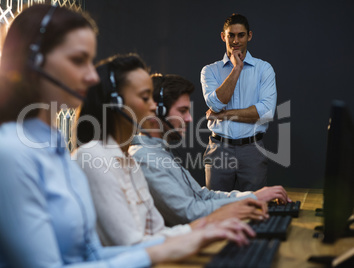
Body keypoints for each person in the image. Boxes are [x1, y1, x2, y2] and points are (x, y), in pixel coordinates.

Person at [0, 5, 253, 268]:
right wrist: (167, 248)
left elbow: (90, 255)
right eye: (78, 60)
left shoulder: (54, 148)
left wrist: (190, 237)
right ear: (34, 62)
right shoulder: (7, 153)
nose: (93, 76)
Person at [74, 54, 255, 247]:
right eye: (145, 98)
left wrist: (205, 229)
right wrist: (204, 229)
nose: (153, 106)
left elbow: (156, 232)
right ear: (116, 105)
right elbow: (132, 246)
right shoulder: (94, 156)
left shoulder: (130, 162)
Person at [129, 74, 290, 226]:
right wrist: (253, 197)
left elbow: (203, 196)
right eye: (182, 111)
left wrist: (253, 197)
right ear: (158, 112)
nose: (189, 118)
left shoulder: (161, 152)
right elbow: (189, 213)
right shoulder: (144, 158)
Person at [201, 13, 277, 191]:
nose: (236, 40)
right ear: (223, 36)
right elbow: (217, 104)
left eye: (241, 35)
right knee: (217, 210)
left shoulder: (263, 69)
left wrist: (224, 115)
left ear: (249, 35)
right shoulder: (209, 71)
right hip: (219, 149)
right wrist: (237, 68)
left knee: (253, 210)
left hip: (252, 150)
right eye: (231, 35)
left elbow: (265, 112)